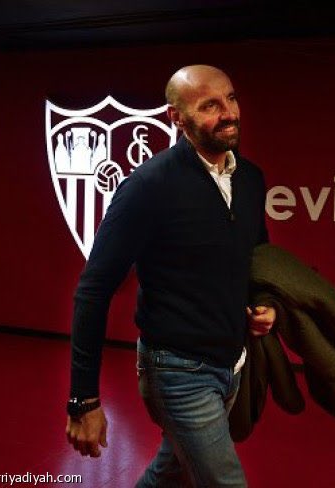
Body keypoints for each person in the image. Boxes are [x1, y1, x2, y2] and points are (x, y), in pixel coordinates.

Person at [65, 65, 275, 487]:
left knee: (171, 472)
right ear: (177, 118)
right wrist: (83, 400)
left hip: (232, 362)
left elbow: (255, 256)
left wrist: (262, 304)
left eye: (231, 98)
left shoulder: (250, 179)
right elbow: (93, 291)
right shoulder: (149, 186)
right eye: (209, 106)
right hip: (177, 370)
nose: (228, 113)